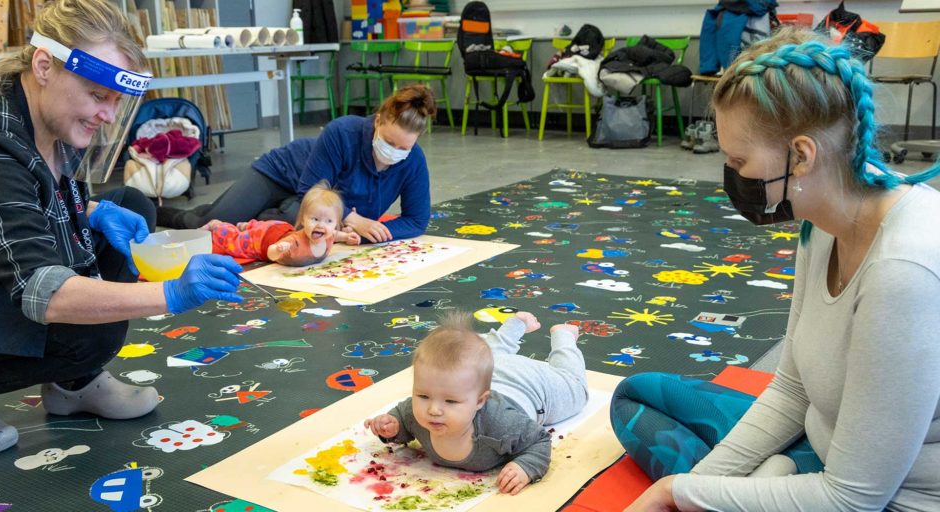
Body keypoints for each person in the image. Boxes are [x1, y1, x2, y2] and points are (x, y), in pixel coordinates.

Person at [612, 28, 940, 511]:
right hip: (823, 448)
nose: (732, 175)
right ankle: (765, 481)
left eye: (739, 160)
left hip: (884, 498)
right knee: (637, 395)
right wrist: (701, 485)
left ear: (802, 156)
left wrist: (676, 491)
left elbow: (854, 498)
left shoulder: (903, 272)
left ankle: (764, 484)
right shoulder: (824, 218)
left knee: (687, 475)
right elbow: (791, 389)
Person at [0, 0, 243, 457]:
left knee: (129, 205)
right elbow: (42, 291)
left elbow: (14, 199)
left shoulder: (43, 110)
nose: (107, 114)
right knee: (88, 331)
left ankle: (73, 384)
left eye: (116, 101)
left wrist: (90, 210)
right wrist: (170, 294)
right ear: (44, 65)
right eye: (97, 95)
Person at [157, 85, 436, 243]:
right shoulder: (342, 131)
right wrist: (354, 220)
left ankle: (269, 211)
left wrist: (365, 234)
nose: (394, 152)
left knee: (289, 228)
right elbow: (311, 190)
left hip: (316, 205)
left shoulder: (413, 162)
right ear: (377, 121)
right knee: (212, 228)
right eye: (389, 142)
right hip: (282, 174)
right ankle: (173, 215)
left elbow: (417, 220)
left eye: (403, 148)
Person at [364, 312, 588, 496]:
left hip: (531, 385)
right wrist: (392, 426)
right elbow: (403, 419)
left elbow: (539, 441)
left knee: (576, 389)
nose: (433, 410)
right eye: (423, 396)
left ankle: (564, 336)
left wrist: (526, 466)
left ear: (480, 402)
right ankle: (516, 323)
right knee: (481, 354)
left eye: (450, 401)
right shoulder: (417, 411)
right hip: (486, 373)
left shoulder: (503, 424)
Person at [201, 181, 360, 265]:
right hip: (264, 239)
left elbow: (334, 235)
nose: (321, 225)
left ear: (336, 223)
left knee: (256, 226)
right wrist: (278, 249)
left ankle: (246, 225)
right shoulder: (294, 242)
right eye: (315, 219)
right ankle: (218, 226)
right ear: (303, 219)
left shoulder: (328, 236)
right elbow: (271, 253)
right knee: (235, 242)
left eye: (329, 221)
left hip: (278, 228)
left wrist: (346, 237)